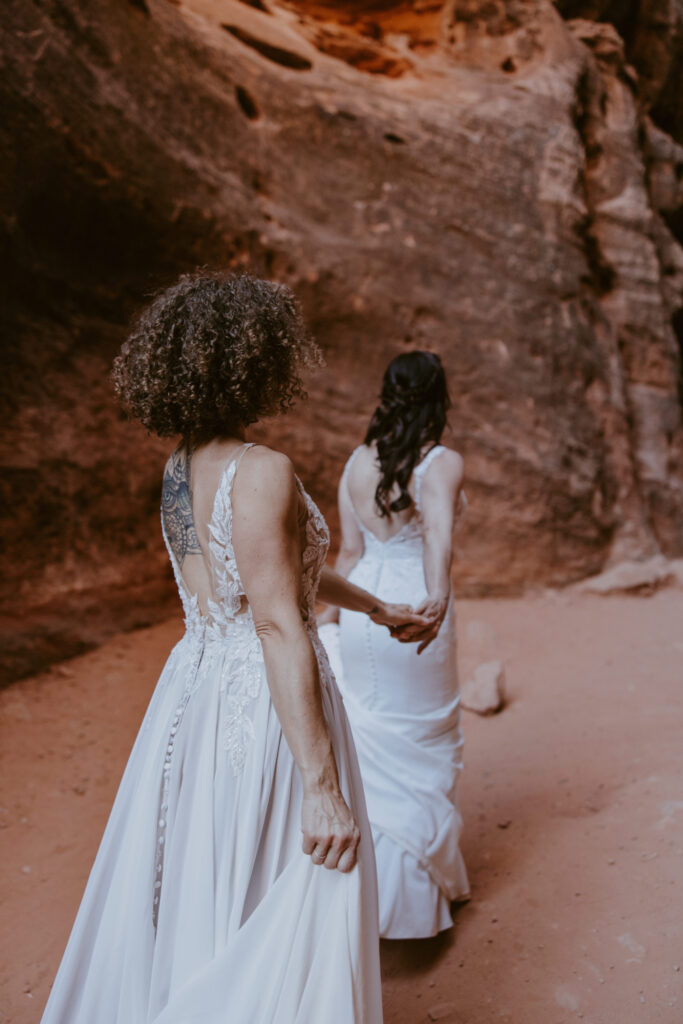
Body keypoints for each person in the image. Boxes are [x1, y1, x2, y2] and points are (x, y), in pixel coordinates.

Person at [40, 273, 429, 1024]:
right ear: (255, 361)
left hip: (193, 691)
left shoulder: (179, 472)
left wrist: (375, 606)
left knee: (212, 872)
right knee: (303, 864)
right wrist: (321, 786)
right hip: (265, 692)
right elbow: (277, 622)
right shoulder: (262, 469)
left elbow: (260, 581)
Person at [318, 351, 470, 940]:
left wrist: (329, 620)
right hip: (413, 607)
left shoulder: (356, 462)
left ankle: (364, 906)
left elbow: (350, 554)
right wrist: (436, 600)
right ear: (439, 398)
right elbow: (437, 534)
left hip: (364, 613)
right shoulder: (441, 461)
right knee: (425, 743)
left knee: (376, 752)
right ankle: (410, 908)